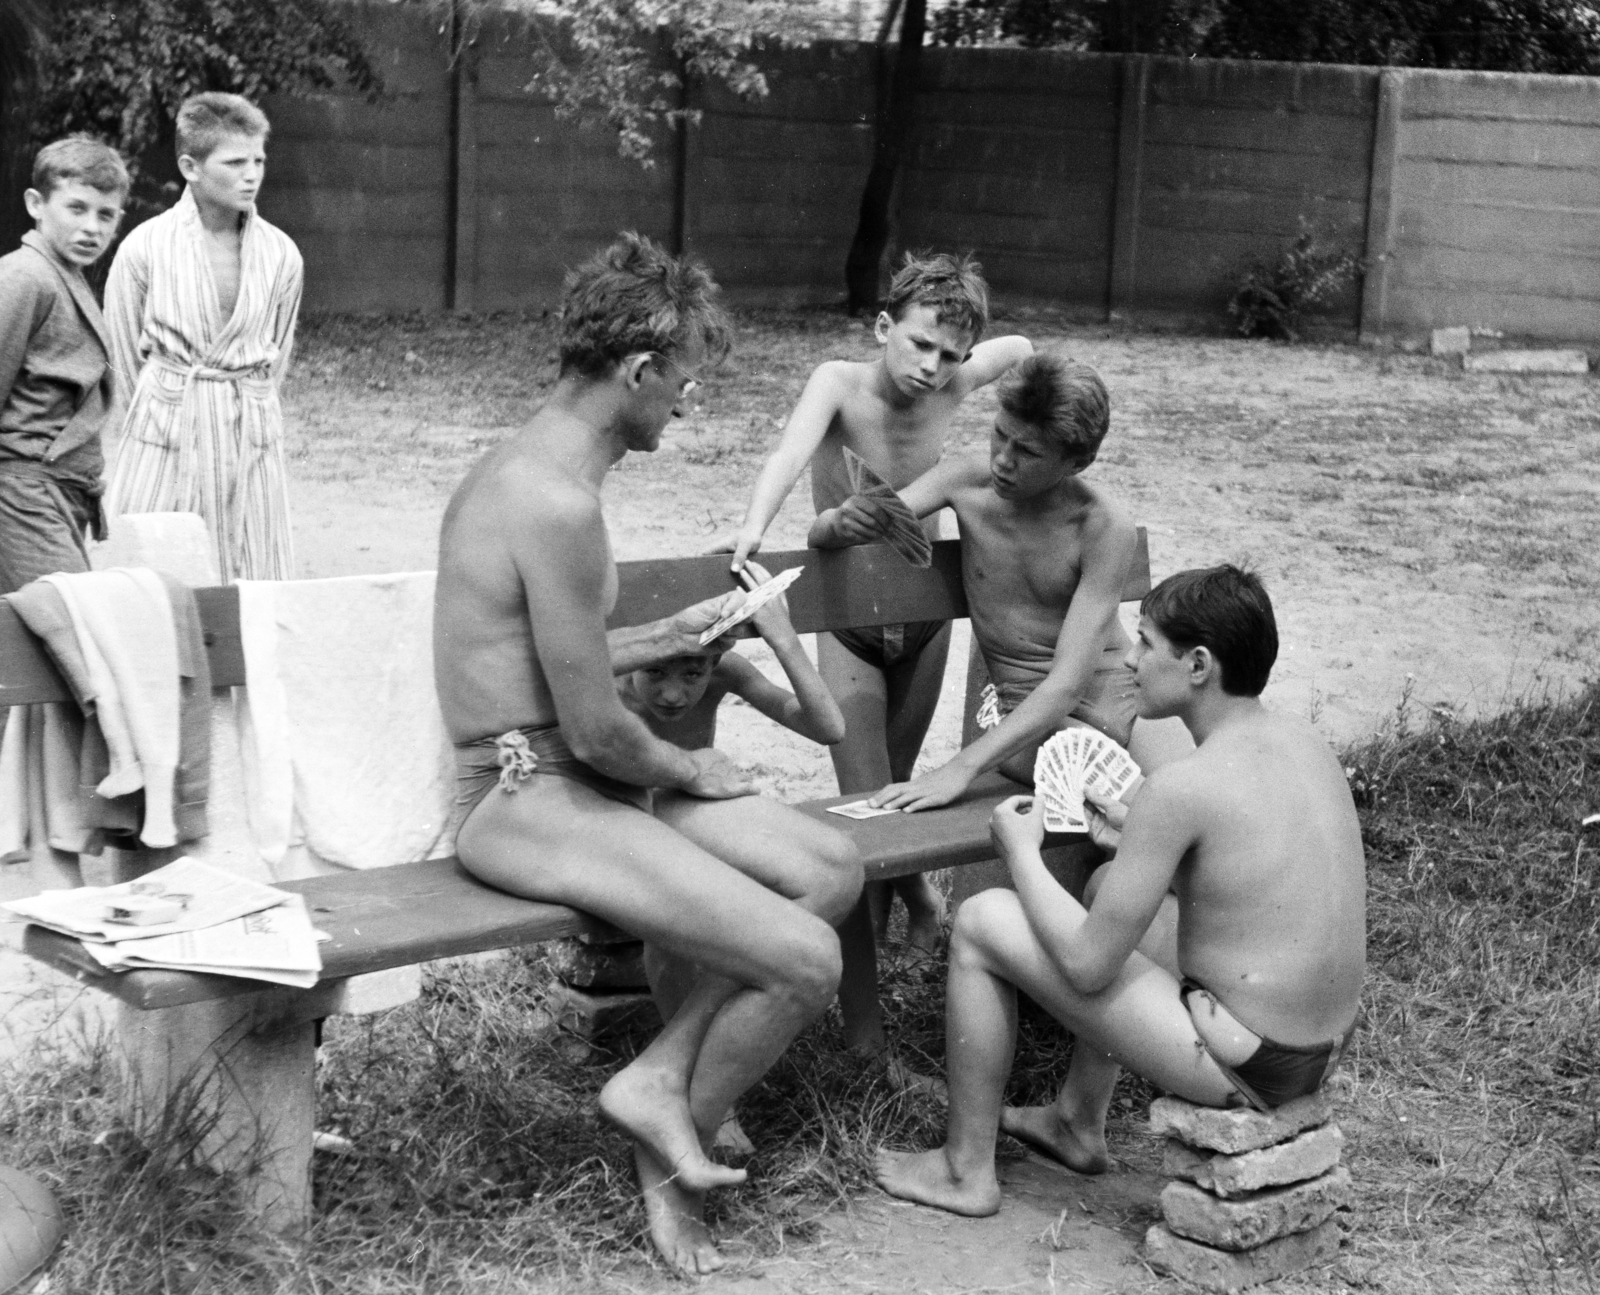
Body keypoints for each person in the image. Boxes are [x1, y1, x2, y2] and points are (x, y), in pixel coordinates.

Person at [434, 232, 862, 1277]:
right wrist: (689, 767)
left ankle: (664, 1077)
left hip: (574, 771)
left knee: (833, 864)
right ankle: (668, 1145)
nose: (686, 402)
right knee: (807, 959)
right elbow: (588, 730)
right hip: (526, 793)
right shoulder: (558, 501)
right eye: (683, 381)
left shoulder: (535, 464)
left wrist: (660, 640)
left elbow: (541, 653)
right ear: (637, 372)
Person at [875, 565, 1366, 1217]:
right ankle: (1077, 1119)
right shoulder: (1306, 744)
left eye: (1145, 644)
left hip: (1246, 1062)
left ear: (1197, 664)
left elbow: (1086, 964)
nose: (1130, 662)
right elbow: (1240, 867)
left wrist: (1020, 853)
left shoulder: (1182, 785)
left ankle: (965, 1170)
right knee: (1111, 882)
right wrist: (1134, 834)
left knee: (986, 921)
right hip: (1320, 1047)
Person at [720, 251, 1032, 1058]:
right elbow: (790, 455)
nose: (933, 368)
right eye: (921, 344)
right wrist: (755, 525)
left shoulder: (961, 380)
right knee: (863, 826)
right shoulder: (838, 382)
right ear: (885, 327)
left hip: (926, 620)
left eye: (951, 355)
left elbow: (1023, 349)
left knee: (897, 802)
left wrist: (1009, 379)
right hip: (852, 623)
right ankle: (865, 1038)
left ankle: (913, 916)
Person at [809, 351, 1146, 814]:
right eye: (1000, 435)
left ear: (1077, 462)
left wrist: (959, 768)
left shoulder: (1103, 526)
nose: (1003, 461)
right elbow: (868, 519)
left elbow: (1069, 682)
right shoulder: (967, 481)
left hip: (1116, 695)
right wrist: (837, 523)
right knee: (1151, 804)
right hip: (1030, 721)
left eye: (1027, 451)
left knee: (1203, 789)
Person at [104, 92, 303, 582]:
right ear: (191, 167)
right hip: (167, 425)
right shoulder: (145, 247)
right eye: (235, 162)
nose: (251, 174)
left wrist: (246, 401)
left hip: (248, 430)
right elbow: (123, 356)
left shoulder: (281, 253)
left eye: (258, 159)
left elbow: (277, 352)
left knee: (254, 578)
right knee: (154, 577)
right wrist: (163, 407)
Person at [0, 137, 127, 594]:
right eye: (77, 208)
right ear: (36, 203)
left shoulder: (65, 275)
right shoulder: (23, 276)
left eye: (106, 215)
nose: (92, 227)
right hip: (21, 495)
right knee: (76, 628)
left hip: (58, 495)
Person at [619, 561, 845, 752]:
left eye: (692, 674)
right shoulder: (606, 683)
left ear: (714, 661)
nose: (671, 695)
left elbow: (829, 730)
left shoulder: (726, 672)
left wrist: (785, 640)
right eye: (655, 671)